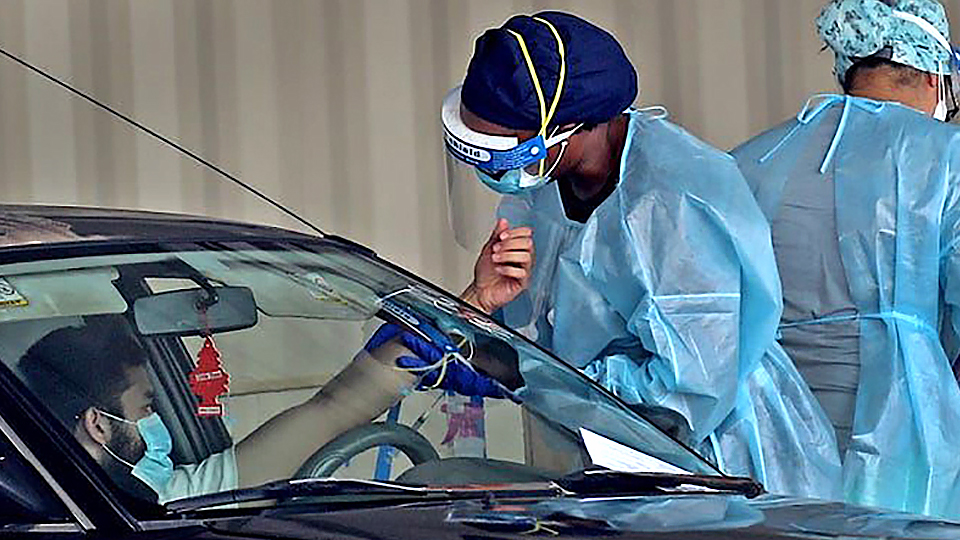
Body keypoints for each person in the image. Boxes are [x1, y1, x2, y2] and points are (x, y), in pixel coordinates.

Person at [443, 11, 842, 499]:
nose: (498, 173)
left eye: (506, 151)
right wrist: (485, 314)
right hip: (606, 444)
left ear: (570, 126)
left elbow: (688, 390)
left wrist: (543, 378)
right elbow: (544, 316)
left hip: (710, 455)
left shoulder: (672, 202)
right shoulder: (545, 181)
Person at [731, 0, 960, 518]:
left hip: (771, 436)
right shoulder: (945, 156)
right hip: (904, 433)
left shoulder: (754, 159)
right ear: (934, 74)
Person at [17, 318, 500, 504]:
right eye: (147, 405)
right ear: (99, 424)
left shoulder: (166, 494)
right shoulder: (62, 515)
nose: (158, 421)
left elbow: (332, 411)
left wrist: (456, 326)